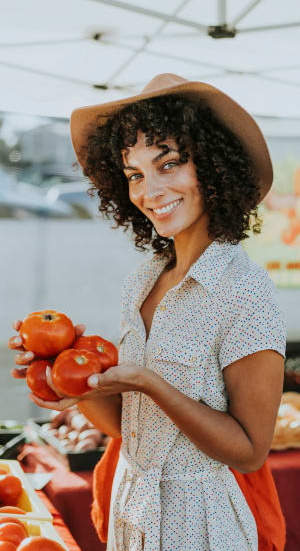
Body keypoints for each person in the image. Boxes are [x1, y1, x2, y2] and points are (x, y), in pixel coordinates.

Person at [9, 74, 287, 551]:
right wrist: (67, 379)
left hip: (200, 527)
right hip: (130, 509)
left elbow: (248, 451)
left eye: (169, 163)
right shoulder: (144, 279)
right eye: (135, 174)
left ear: (215, 167)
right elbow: (129, 425)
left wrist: (150, 382)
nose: (149, 191)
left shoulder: (245, 289)